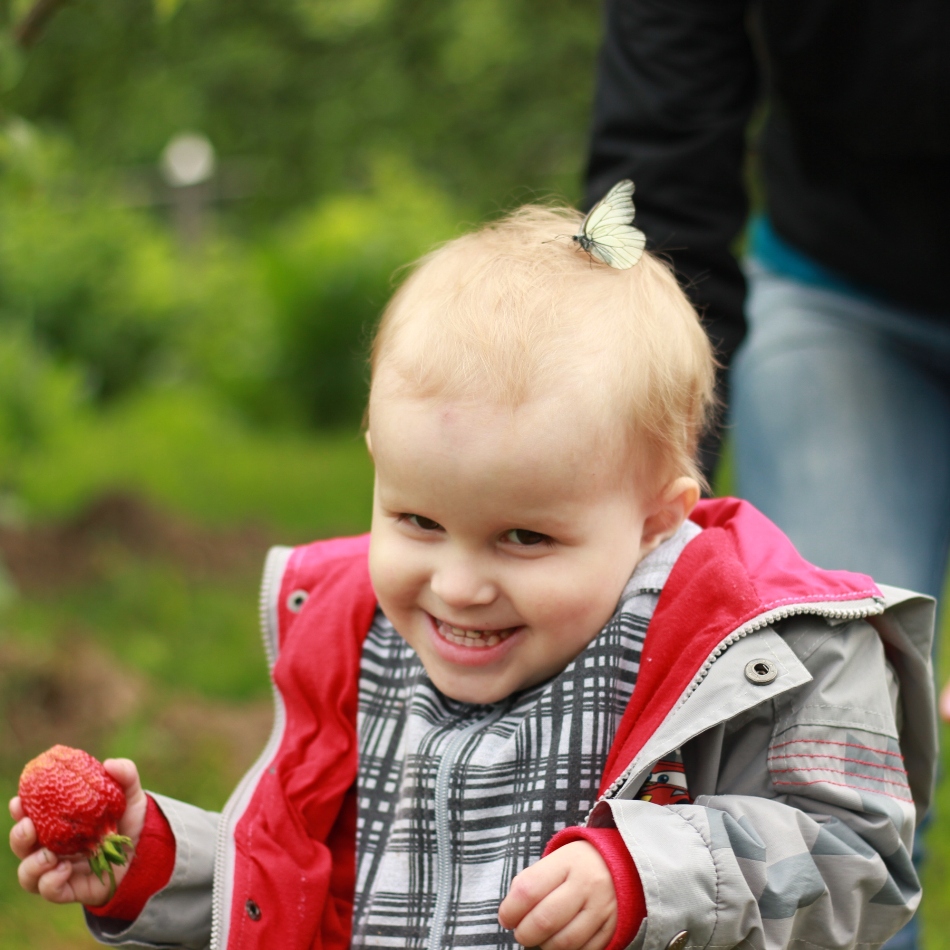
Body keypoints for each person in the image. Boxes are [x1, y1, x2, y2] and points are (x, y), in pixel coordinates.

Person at [8, 205, 937, 950]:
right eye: (417, 520)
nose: (457, 585)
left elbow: (855, 862)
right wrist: (157, 862)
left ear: (659, 513)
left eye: (524, 538)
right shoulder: (366, 645)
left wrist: (648, 877)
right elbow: (319, 882)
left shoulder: (758, 653)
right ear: (377, 462)